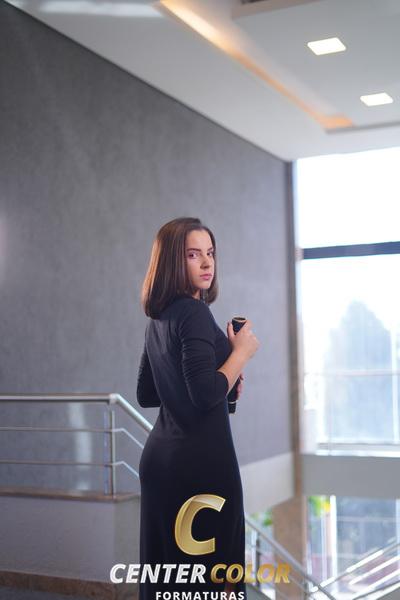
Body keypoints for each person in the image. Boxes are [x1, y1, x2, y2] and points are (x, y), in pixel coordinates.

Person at [137, 217, 259, 600]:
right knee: (215, 581)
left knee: (171, 580)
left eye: (210, 253)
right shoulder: (193, 313)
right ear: (173, 261)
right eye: (193, 255)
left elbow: (148, 393)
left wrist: (227, 381)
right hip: (201, 469)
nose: (207, 263)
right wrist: (240, 353)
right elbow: (205, 394)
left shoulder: (159, 318)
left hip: (161, 463)